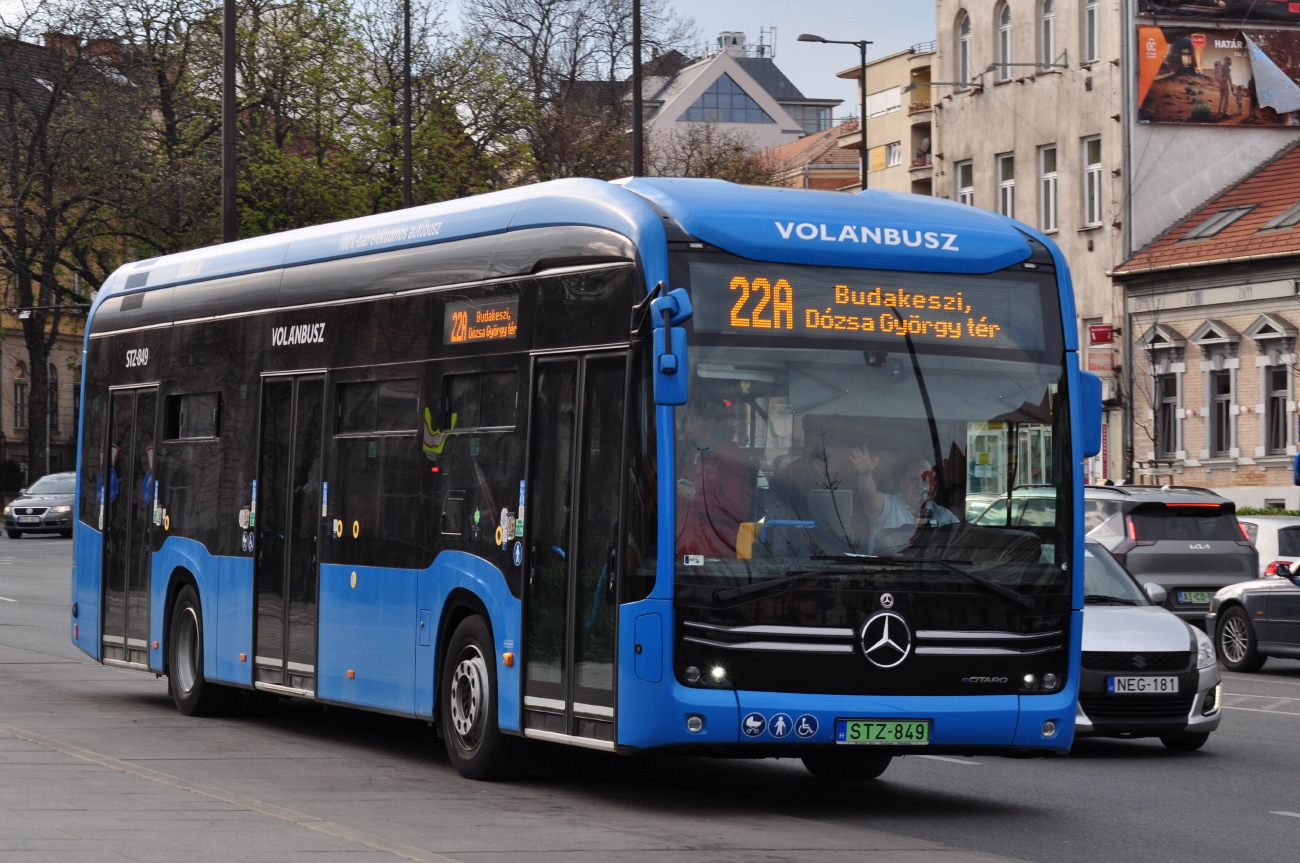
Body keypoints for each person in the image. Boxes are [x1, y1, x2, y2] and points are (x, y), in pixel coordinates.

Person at [675, 397, 755, 558]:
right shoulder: (690, 454)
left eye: (691, 419)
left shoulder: (731, 459)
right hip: (686, 549)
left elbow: (737, 509)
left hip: (716, 556)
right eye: (684, 419)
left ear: (709, 421)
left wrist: (695, 496)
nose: (685, 425)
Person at [851, 447, 958, 555]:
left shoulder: (944, 516)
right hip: (887, 570)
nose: (920, 486)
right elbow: (869, 497)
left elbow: (962, 541)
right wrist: (865, 475)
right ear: (902, 482)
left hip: (934, 570)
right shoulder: (889, 507)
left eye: (925, 481)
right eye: (913, 480)